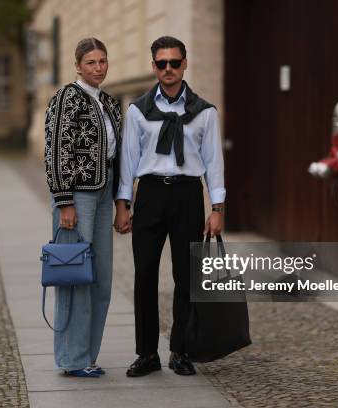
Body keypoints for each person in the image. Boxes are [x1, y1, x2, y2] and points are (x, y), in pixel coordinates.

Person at [115, 36, 225, 377]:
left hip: (187, 196)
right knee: (145, 275)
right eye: (161, 63)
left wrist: (217, 207)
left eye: (174, 63)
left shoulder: (204, 113)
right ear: (153, 67)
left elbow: (214, 162)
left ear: (184, 65)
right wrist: (123, 204)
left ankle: (181, 349)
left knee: (186, 277)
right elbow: (128, 161)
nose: (168, 69)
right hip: (149, 195)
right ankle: (147, 353)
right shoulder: (138, 110)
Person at [44, 37, 122, 378]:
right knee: (74, 275)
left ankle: (88, 355)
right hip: (77, 196)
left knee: (101, 279)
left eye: (103, 61)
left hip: (105, 193)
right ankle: (71, 359)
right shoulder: (66, 98)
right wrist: (64, 201)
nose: (99, 67)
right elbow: (55, 150)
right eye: (91, 62)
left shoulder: (109, 102)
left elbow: (117, 155)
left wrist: (122, 201)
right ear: (78, 66)